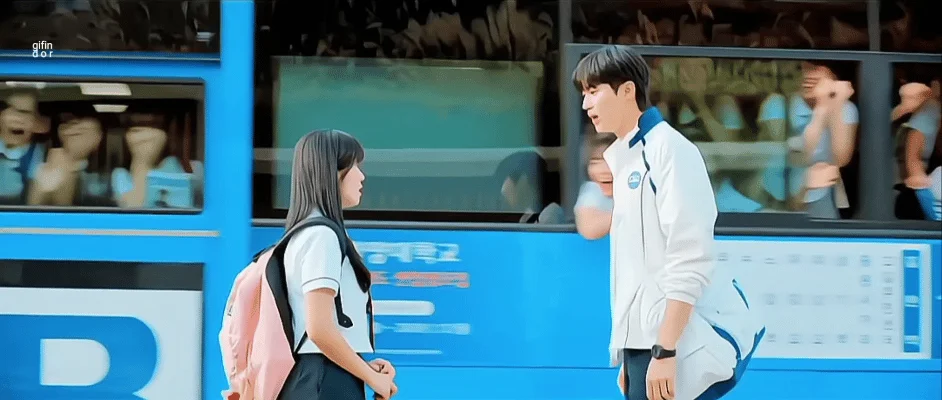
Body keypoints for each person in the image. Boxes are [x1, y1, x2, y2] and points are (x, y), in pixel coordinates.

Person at [573, 45, 764, 400]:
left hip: (669, 343)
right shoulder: (627, 158)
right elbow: (637, 270)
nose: (586, 104)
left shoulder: (669, 151)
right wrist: (628, 350)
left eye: (594, 91)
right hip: (645, 344)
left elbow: (690, 258)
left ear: (627, 91)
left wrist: (664, 350)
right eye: (584, 93)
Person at [279, 129, 398, 400]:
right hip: (324, 381)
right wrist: (372, 379)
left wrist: (363, 370)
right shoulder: (322, 236)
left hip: (323, 375)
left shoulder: (305, 232)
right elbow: (319, 329)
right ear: (332, 172)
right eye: (355, 165)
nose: (362, 176)